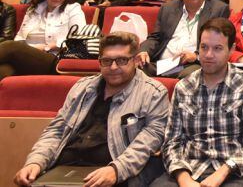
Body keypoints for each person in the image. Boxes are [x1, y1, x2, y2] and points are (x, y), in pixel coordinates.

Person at [13, 32, 170, 187]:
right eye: (107, 61)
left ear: (135, 61)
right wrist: (36, 162)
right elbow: (57, 130)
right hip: (65, 168)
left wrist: (116, 170)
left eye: (122, 60)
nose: (113, 67)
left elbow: (149, 140)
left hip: (113, 169)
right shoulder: (82, 88)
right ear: (99, 62)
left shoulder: (153, 93)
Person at [152, 18, 243, 187]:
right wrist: (183, 178)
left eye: (217, 49)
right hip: (188, 168)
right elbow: (172, 141)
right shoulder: (183, 87)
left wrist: (224, 171)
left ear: (231, 50)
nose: (208, 55)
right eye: (204, 47)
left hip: (232, 172)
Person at [137, 0, 230, 78]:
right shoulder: (168, 8)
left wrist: (196, 56)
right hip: (162, 64)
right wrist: (144, 51)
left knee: (191, 75)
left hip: (190, 65)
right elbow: (155, 37)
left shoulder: (218, 9)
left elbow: (218, 43)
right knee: (133, 68)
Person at [0, 0, 85, 80]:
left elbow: (78, 39)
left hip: (54, 58)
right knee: (4, 70)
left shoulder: (73, 9)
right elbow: (20, 36)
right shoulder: (34, 9)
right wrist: (27, 48)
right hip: (26, 55)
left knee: (11, 46)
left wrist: (47, 47)